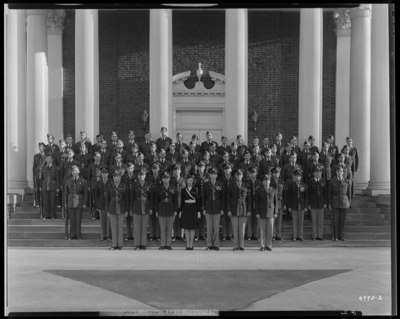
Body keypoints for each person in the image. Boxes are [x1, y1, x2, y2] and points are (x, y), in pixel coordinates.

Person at [227, 169, 251, 251]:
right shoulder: (231, 185)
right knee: (235, 228)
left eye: (240, 175)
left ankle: (242, 245)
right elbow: (228, 198)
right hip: (234, 208)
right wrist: (229, 210)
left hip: (243, 209)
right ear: (235, 176)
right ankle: (235, 246)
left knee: (242, 228)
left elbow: (249, 199)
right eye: (237, 175)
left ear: (242, 175)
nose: (239, 176)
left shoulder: (246, 185)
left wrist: (249, 210)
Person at [202, 168, 225, 251]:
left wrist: (222, 208)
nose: (212, 175)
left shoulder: (220, 184)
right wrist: (203, 208)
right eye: (211, 174)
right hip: (208, 207)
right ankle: (209, 245)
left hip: (217, 207)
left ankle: (216, 244)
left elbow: (222, 198)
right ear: (209, 175)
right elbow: (203, 197)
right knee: (209, 227)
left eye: (214, 174)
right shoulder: (206, 185)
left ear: (217, 175)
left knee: (216, 227)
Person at [155, 172, 178, 250]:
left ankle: (168, 244)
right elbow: (156, 200)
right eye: (164, 178)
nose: (165, 179)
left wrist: (175, 210)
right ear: (162, 179)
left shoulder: (173, 187)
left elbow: (175, 200)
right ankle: (162, 244)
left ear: (169, 179)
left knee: (169, 228)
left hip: (170, 209)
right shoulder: (158, 188)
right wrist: (156, 211)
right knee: (162, 228)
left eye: (167, 178)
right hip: (161, 209)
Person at [106, 170, 129, 250]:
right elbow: (107, 199)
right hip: (112, 208)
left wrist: (126, 210)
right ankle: (114, 245)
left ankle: (120, 245)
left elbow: (126, 199)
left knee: (120, 227)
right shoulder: (110, 186)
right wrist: (107, 210)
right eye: (114, 176)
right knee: (114, 227)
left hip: (121, 208)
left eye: (118, 176)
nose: (116, 177)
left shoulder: (124, 186)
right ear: (113, 177)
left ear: (120, 177)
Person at [65, 165, 88, 240]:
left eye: (75, 171)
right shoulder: (68, 180)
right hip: (70, 201)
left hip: (79, 201)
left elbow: (85, 193)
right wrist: (65, 203)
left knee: (78, 220)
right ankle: (72, 235)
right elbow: (66, 193)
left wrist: (84, 203)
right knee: (72, 220)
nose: (74, 172)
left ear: (79, 171)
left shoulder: (83, 181)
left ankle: (78, 235)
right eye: (73, 171)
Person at [131, 170, 153, 250]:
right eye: (139, 175)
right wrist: (131, 208)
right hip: (136, 206)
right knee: (137, 227)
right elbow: (132, 197)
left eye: (142, 175)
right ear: (137, 176)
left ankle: (143, 244)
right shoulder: (134, 185)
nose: (141, 176)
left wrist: (151, 208)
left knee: (144, 227)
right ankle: (137, 244)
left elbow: (151, 197)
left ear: (145, 176)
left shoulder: (149, 184)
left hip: (146, 206)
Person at [255, 174, 278, 251]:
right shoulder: (258, 190)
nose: (266, 182)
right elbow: (257, 203)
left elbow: (275, 202)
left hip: (271, 212)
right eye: (265, 180)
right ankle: (262, 245)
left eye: (268, 180)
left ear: (270, 181)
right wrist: (257, 212)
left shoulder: (273, 190)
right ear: (262, 182)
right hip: (261, 212)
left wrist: (276, 212)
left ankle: (269, 245)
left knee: (270, 230)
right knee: (262, 230)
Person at [328, 166, 351, 241]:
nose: (339, 173)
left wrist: (348, 203)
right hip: (335, 202)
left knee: (343, 221)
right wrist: (329, 203)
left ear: (343, 172)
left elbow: (349, 193)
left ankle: (341, 236)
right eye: (338, 171)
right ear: (336, 172)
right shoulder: (332, 181)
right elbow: (329, 193)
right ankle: (336, 236)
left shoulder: (346, 181)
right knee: (335, 221)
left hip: (344, 202)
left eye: (341, 171)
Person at [180, 175, 201, 250]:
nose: (189, 182)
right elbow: (182, 201)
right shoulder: (183, 190)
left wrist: (198, 211)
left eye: (191, 180)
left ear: (193, 181)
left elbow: (198, 201)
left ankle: (191, 244)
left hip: (194, 209)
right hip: (185, 209)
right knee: (186, 226)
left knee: (192, 227)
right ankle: (187, 244)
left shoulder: (196, 190)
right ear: (186, 181)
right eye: (188, 180)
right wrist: (181, 211)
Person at [286, 169, 308, 241]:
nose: (297, 177)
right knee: (294, 222)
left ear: (301, 177)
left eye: (299, 176)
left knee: (301, 222)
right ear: (294, 177)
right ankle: (294, 236)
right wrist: (289, 206)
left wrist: (305, 206)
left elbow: (306, 196)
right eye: (296, 176)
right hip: (294, 205)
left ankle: (300, 236)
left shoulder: (304, 185)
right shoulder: (291, 185)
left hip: (301, 205)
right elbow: (289, 196)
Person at [308, 166, 327, 241]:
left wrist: (325, 202)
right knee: (314, 220)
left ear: (321, 173)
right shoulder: (310, 181)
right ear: (313, 173)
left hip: (321, 203)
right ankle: (314, 236)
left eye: (319, 172)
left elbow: (325, 193)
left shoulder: (323, 181)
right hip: (313, 203)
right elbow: (308, 193)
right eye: (316, 172)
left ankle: (320, 235)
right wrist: (308, 204)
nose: (317, 174)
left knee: (320, 220)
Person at [218, 163, 235, 241]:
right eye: (225, 169)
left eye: (228, 169)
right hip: (223, 200)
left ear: (231, 170)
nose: (227, 170)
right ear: (223, 170)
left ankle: (230, 234)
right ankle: (224, 235)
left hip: (232, 201)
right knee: (224, 218)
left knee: (231, 218)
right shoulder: (220, 179)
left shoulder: (233, 179)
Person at [41, 153, 60, 220]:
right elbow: (42, 178)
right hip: (45, 186)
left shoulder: (55, 168)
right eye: (47, 158)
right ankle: (46, 215)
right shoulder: (43, 167)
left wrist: (57, 187)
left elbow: (58, 178)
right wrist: (42, 186)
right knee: (46, 201)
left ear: (52, 160)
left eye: (49, 158)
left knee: (52, 201)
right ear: (45, 159)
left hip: (53, 186)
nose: (48, 160)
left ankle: (53, 215)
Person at [270, 167, 287, 241]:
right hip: (272, 202)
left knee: (279, 220)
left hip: (280, 202)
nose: (276, 174)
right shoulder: (270, 181)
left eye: (277, 173)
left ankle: (278, 234)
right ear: (272, 174)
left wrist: (285, 204)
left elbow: (285, 193)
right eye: (274, 173)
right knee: (273, 219)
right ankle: (273, 235)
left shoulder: (282, 182)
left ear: (279, 173)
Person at [170, 164, 186, 242]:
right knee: (173, 219)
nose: (176, 171)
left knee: (182, 219)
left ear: (180, 171)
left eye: (178, 170)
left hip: (181, 202)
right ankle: (173, 235)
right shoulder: (170, 180)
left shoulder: (183, 180)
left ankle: (181, 235)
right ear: (173, 171)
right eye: (175, 170)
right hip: (172, 202)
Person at [122, 163, 137, 241]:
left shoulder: (137, 176)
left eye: (131, 168)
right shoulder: (123, 177)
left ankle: (134, 235)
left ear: (133, 168)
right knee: (127, 216)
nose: (130, 169)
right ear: (126, 169)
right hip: (126, 198)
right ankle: (128, 235)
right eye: (128, 168)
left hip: (135, 198)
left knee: (134, 217)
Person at [194, 161, 208, 241]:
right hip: (197, 198)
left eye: (202, 166)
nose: (201, 168)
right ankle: (197, 234)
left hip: (205, 198)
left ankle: (202, 234)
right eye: (199, 167)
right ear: (198, 168)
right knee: (197, 217)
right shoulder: (195, 176)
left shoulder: (207, 176)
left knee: (203, 217)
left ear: (204, 167)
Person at [148, 163, 162, 241]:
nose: (154, 170)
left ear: (158, 169)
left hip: (159, 198)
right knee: (151, 217)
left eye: (156, 168)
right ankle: (151, 235)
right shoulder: (149, 177)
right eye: (153, 169)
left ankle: (158, 235)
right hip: (151, 197)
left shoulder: (161, 177)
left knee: (158, 216)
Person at [96, 168, 112, 240]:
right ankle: (103, 235)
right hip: (101, 202)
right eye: (103, 173)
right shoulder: (98, 183)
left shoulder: (111, 182)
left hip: (109, 203)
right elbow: (96, 195)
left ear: (108, 174)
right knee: (102, 220)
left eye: (105, 173)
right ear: (101, 174)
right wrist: (97, 205)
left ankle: (108, 235)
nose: (104, 175)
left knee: (109, 220)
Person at [246, 167, 261, 241]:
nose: (253, 174)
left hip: (257, 203)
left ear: (256, 173)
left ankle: (255, 235)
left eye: (254, 173)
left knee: (256, 219)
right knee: (249, 219)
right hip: (249, 203)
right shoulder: (247, 182)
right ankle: (249, 235)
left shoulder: (259, 182)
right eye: (251, 173)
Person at [33, 142, 47, 208]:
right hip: (37, 175)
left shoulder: (47, 155)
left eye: (42, 146)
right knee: (38, 189)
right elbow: (34, 166)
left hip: (44, 175)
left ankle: (44, 203)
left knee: (44, 189)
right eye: (39, 146)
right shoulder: (36, 156)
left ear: (44, 147)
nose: (40, 148)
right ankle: (38, 203)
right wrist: (34, 175)